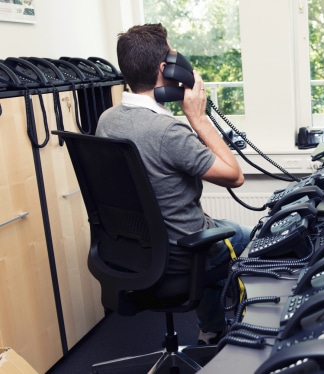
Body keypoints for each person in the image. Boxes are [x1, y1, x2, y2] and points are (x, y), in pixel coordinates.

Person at [96, 23, 252, 345]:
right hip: (182, 254)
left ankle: (212, 323)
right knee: (244, 236)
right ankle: (214, 329)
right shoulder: (169, 132)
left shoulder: (107, 120)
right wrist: (198, 117)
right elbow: (235, 175)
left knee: (218, 230)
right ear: (166, 69)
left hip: (131, 250)